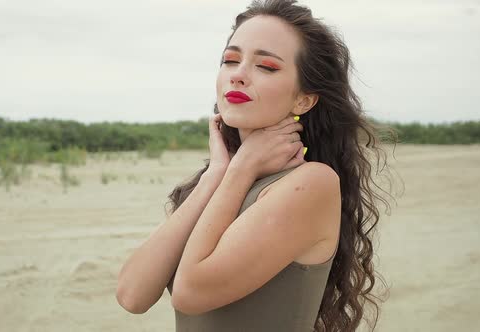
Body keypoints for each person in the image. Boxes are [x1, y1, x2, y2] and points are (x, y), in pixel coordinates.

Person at [116, 0, 396, 331]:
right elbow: (132, 295)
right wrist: (216, 176)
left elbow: (190, 292)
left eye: (266, 66)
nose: (239, 75)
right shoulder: (220, 181)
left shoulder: (312, 183)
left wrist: (239, 170)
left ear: (303, 99)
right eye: (230, 60)